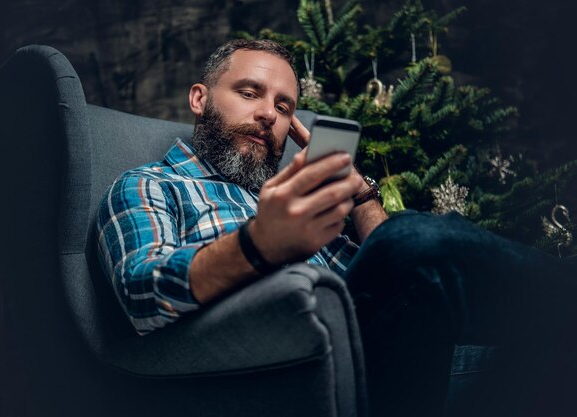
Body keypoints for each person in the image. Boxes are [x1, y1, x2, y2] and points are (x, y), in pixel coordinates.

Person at [96, 39, 577, 416]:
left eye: (285, 107)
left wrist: (359, 194)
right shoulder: (151, 185)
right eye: (249, 93)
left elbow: (410, 278)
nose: (269, 114)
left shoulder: (303, 198)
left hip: (409, 345)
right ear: (200, 98)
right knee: (412, 237)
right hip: (299, 363)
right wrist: (260, 243)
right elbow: (140, 290)